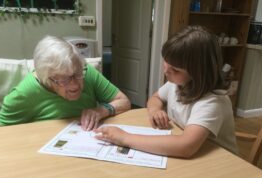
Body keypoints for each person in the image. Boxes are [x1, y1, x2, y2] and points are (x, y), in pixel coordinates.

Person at [95, 26, 237, 158]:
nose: (166, 71)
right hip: (193, 150)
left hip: (223, 161)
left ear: (199, 74)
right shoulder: (177, 83)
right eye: (166, 62)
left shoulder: (212, 102)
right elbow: (155, 97)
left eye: (175, 70)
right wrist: (155, 110)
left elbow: (185, 146)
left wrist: (124, 138)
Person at [0, 35, 131, 130]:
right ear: (47, 78)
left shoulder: (87, 72)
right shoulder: (24, 93)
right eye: (64, 79)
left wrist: (102, 111)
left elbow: (124, 101)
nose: (75, 85)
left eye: (77, 74)